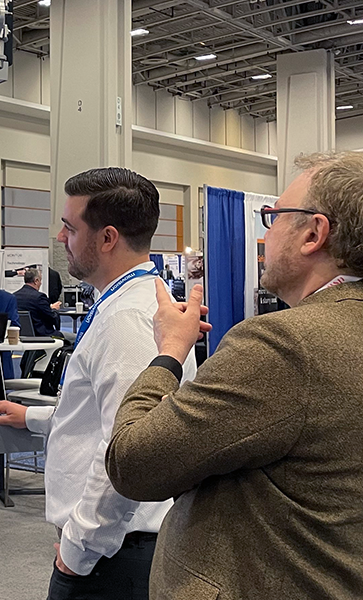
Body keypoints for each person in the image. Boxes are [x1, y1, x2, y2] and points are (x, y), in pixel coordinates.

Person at [106, 151, 363, 600]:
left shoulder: (285, 345)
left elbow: (133, 464)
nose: (267, 233)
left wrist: (169, 353)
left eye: (274, 217)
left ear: (313, 234)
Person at [0, 167, 197, 600]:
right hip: (117, 548)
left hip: (112, 555)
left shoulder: (126, 319)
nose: (60, 238)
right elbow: (108, 416)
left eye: (70, 227)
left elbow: (128, 448)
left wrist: (79, 549)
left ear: (107, 238)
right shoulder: (132, 302)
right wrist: (35, 417)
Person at [13, 267, 62, 337]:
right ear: (36, 281)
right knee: (72, 338)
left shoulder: (14, 296)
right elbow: (52, 318)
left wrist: (49, 308)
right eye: (40, 280)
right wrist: (54, 309)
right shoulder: (40, 297)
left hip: (20, 336)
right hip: (43, 336)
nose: (41, 283)